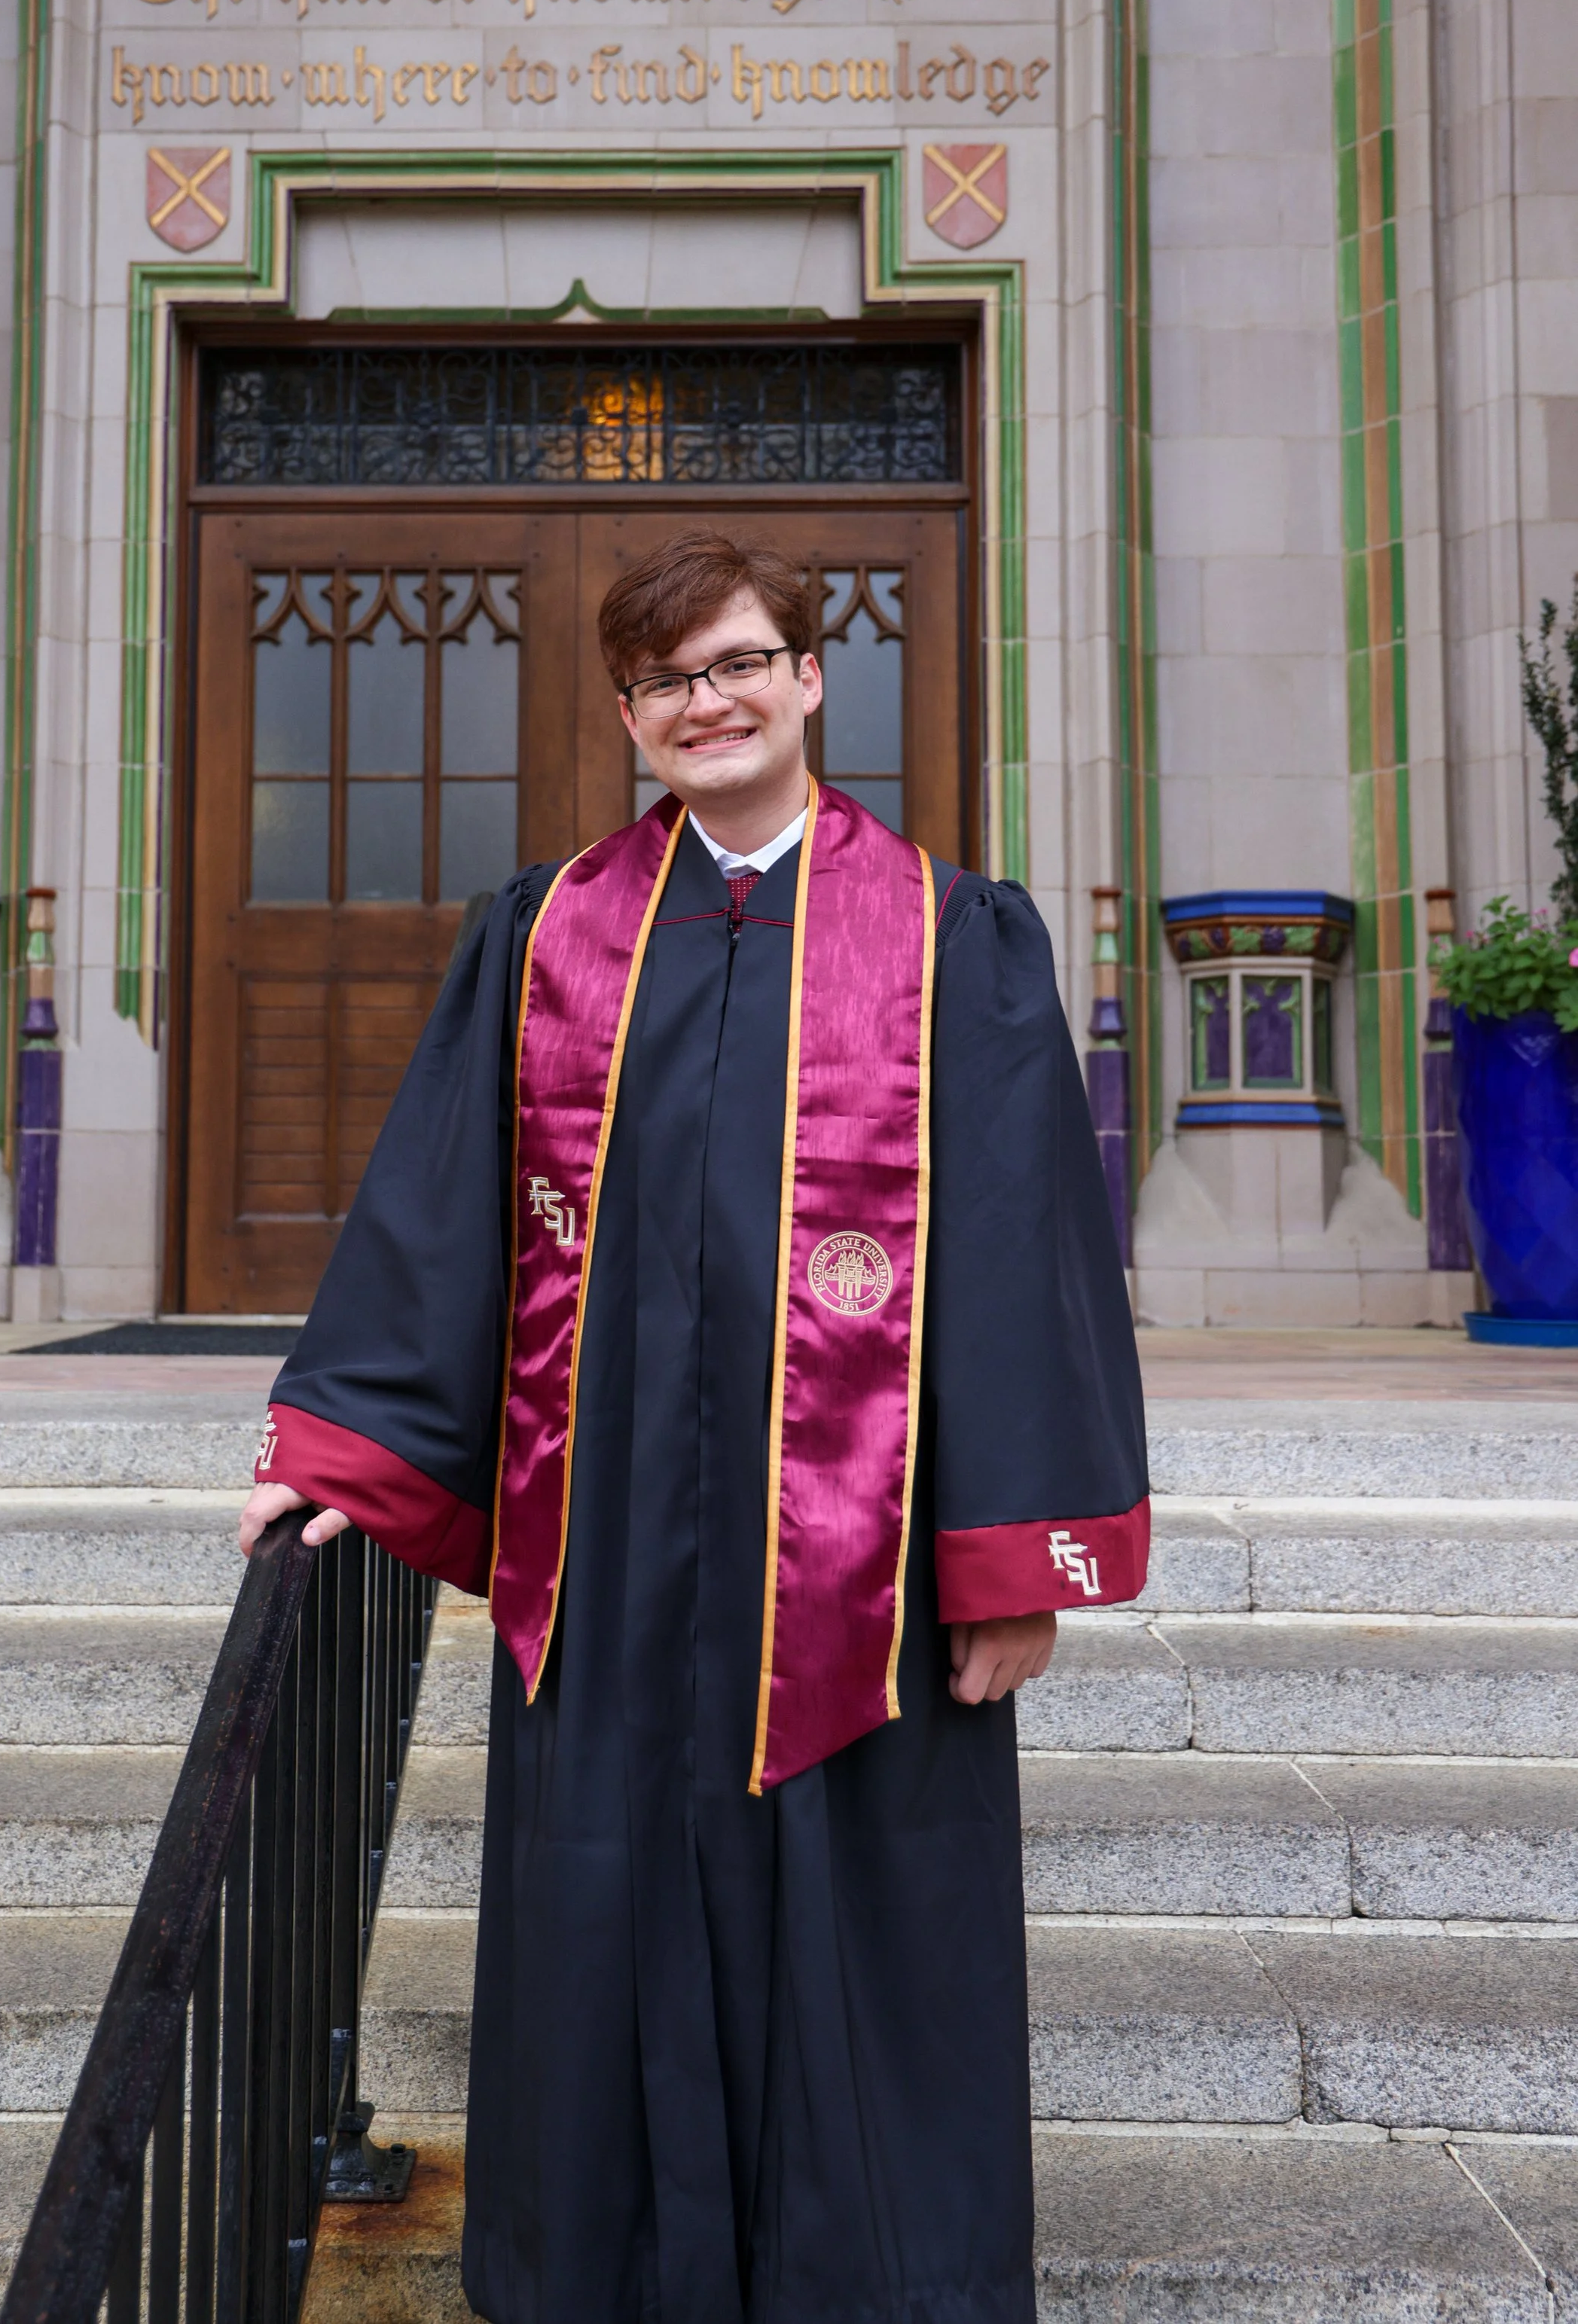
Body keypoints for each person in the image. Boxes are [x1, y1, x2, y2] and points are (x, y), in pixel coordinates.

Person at [240, 528, 1149, 2324]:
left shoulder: (955, 936)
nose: (704, 702)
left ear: (812, 679)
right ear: (630, 716)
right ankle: (606, 2275)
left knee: (863, 1920)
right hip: (613, 1540)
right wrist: (345, 1451)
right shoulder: (552, 930)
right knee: (607, 1897)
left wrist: (1005, 1553)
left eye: (736, 663)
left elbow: (1023, 1242)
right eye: (662, 681)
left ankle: (874, 2280)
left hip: (863, 1554)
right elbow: (446, 1209)